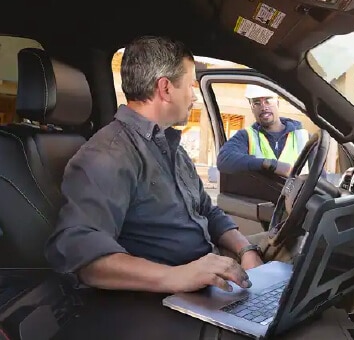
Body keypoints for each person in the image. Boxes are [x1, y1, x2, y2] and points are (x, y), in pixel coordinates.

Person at [45, 36, 265, 294]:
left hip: (208, 273)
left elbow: (207, 211)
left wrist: (245, 249)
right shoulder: (108, 154)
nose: (193, 96)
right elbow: (80, 250)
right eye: (190, 85)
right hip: (165, 296)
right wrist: (177, 277)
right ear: (166, 88)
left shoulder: (172, 148)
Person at [216, 85, 309, 177]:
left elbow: (320, 178)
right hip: (260, 192)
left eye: (268, 101)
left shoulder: (304, 137)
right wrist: (270, 164)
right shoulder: (246, 136)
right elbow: (224, 160)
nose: (264, 107)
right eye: (257, 103)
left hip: (299, 192)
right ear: (252, 108)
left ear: (277, 103)